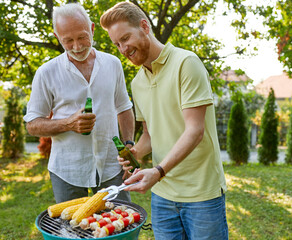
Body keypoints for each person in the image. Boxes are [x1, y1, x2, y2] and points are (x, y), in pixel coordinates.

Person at [100, 2, 228, 239]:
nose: (123, 49)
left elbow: (195, 130)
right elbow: (150, 134)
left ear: (144, 26)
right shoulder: (138, 82)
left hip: (201, 194)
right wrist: (136, 152)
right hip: (163, 197)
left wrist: (158, 171)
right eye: (117, 44)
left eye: (125, 38)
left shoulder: (186, 63)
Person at [23, 3, 135, 204]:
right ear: (58, 38)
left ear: (92, 29)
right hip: (67, 171)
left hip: (111, 167)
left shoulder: (113, 64)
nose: (77, 46)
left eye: (82, 37)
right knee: (72, 231)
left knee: (121, 228)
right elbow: (32, 125)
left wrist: (128, 146)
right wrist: (68, 123)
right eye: (68, 40)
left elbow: (124, 108)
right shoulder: (46, 73)